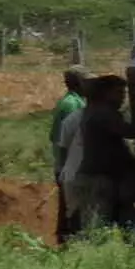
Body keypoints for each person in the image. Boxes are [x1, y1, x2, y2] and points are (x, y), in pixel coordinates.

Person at [72, 76, 135, 239]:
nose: (123, 97)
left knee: (101, 226)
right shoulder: (104, 113)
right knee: (97, 228)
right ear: (105, 93)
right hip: (98, 179)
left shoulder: (94, 110)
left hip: (99, 178)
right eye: (119, 92)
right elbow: (130, 132)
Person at [47, 71, 89, 245]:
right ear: (80, 82)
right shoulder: (72, 106)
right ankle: (69, 244)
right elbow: (65, 139)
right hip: (68, 167)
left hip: (65, 165)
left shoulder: (71, 102)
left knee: (68, 208)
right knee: (71, 210)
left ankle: (67, 243)